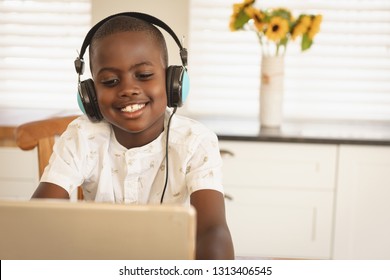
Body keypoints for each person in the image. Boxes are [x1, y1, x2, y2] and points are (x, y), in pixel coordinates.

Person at [31, 13, 234, 260]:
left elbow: (212, 230)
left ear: (174, 83)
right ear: (90, 95)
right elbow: (40, 217)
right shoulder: (82, 137)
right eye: (110, 81)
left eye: (144, 75)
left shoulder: (195, 141)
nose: (128, 89)